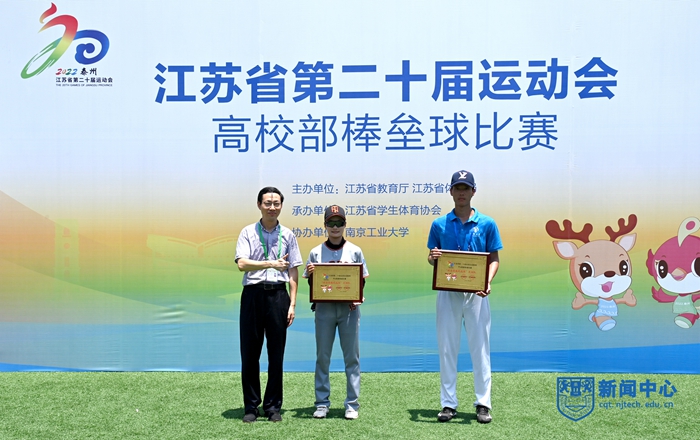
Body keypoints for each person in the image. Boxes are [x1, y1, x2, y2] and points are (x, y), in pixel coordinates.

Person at [427, 170, 503, 424]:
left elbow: (494, 259)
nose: (461, 193)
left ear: (473, 191)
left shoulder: (487, 223)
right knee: (447, 348)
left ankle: (483, 403)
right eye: (457, 188)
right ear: (451, 191)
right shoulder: (439, 224)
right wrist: (432, 258)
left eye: (466, 188)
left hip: (477, 293)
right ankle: (448, 404)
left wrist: (487, 281)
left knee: (480, 349)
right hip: (448, 292)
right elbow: (432, 258)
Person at [235, 186, 303, 423]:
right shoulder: (247, 232)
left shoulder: (288, 235)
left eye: (276, 203)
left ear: (281, 206)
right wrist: (270, 264)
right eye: (267, 203)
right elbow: (242, 264)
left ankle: (273, 406)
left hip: (278, 297)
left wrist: (292, 304)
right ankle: (251, 406)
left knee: (276, 354)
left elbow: (293, 271)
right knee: (249, 354)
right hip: (253, 296)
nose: (272, 207)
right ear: (259, 205)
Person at [303, 205, 369, 420]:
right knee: (323, 357)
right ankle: (322, 403)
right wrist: (312, 275)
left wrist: (357, 295)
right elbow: (312, 285)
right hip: (324, 309)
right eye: (331, 222)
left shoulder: (355, 250)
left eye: (339, 222)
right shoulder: (315, 252)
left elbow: (362, 280)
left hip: (349, 309)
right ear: (324, 225)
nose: (335, 227)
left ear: (345, 225)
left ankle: (352, 404)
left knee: (352, 358)